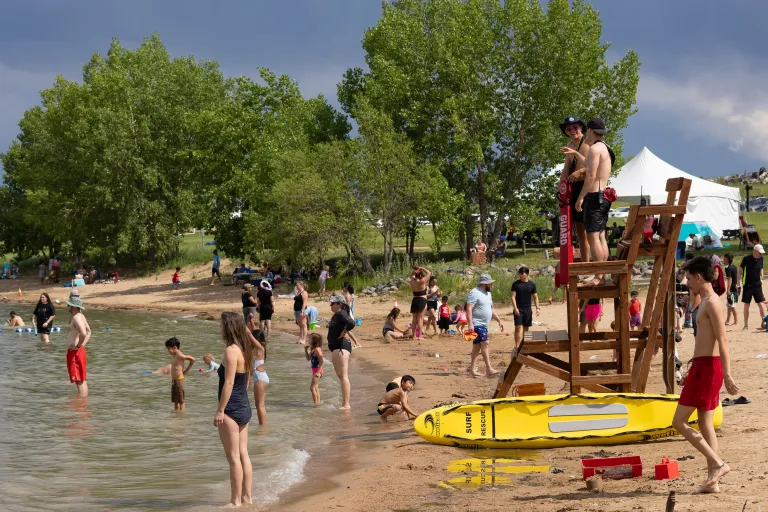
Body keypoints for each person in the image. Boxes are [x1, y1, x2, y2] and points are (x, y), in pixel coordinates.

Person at [672, 256, 739, 494]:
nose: (687, 283)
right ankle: (714, 479)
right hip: (702, 365)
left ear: (699, 277)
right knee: (705, 423)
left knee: (678, 421)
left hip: (709, 368)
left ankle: (719, 464)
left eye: (689, 279)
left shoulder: (712, 302)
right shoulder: (705, 300)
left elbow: (723, 339)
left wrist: (728, 374)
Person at [214, 312, 254, 508]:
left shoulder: (231, 351)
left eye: (222, 325)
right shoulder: (244, 349)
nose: (220, 329)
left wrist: (221, 410)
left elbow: (228, 383)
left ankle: (235, 501)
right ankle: (247, 497)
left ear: (228, 327)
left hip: (231, 408)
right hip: (244, 406)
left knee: (233, 458)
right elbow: (245, 382)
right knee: (243, 454)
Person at [573, 118, 615, 286]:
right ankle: (602, 274)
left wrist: (581, 197)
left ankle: (599, 276)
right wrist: (576, 154)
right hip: (604, 195)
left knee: (592, 237)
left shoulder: (594, 148)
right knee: (601, 235)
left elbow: (590, 175)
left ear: (589, 130)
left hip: (594, 195)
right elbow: (590, 165)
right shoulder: (606, 148)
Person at [558, 116, 591, 262]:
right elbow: (566, 168)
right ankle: (585, 263)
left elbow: (595, 167)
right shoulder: (570, 145)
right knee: (579, 231)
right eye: (569, 128)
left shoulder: (588, 142)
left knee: (590, 230)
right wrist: (561, 188)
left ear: (581, 127)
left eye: (575, 127)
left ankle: (593, 265)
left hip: (587, 187)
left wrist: (580, 172)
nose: (573, 130)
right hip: (574, 188)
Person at [466, 274, 504, 378]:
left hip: (484, 325)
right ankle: (489, 369)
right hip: (476, 323)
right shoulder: (474, 292)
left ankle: (472, 370)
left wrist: (499, 320)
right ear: (485, 283)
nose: (491, 284)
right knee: (485, 343)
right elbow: (469, 309)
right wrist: (470, 324)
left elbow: (491, 309)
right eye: (490, 282)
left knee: (476, 347)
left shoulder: (488, 294)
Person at [327, 295, 355, 410]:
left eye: (332, 303)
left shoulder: (341, 313)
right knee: (341, 376)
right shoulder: (337, 314)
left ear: (339, 304)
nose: (330, 305)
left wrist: (344, 332)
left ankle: (346, 404)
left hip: (341, 346)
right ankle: (344, 403)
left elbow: (351, 323)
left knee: (343, 376)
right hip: (336, 347)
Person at [65, 296, 91, 397]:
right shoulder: (81, 316)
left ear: (72, 306)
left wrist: (78, 345)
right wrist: (82, 345)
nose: (67, 306)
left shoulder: (76, 317)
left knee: (78, 380)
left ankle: (80, 404)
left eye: (68, 305)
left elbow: (84, 333)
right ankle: (82, 403)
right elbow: (89, 332)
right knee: (81, 379)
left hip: (75, 352)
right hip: (78, 351)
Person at [510, 267, 540, 348]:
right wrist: (515, 308)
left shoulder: (532, 284)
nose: (521, 276)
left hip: (527, 309)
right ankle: (517, 346)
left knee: (526, 328)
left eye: (522, 274)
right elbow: (513, 297)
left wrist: (537, 308)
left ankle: (525, 345)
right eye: (520, 274)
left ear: (527, 274)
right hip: (518, 308)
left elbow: (535, 297)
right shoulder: (515, 284)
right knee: (517, 327)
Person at [738, 244, 766, 330]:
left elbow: (761, 268)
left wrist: (762, 276)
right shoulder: (746, 259)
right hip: (748, 285)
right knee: (747, 304)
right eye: (760, 252)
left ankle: (765, 322)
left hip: (757, 285)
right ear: (755, 251)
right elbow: (740, 270)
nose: (761, 254)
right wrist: (738, 283)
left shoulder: (761, 258)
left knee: (760, 303)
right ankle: (746, 325)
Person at [247, 316, 268, 425]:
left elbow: (252, 336)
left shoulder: (260, 348)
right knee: (259, 404)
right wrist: (251, 321)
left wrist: (246, 330)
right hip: (260, 377)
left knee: (260, 405)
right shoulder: (258, 348)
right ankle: (262, 426)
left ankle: (262, 427)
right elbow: (254, 333)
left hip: (260, 378)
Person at [165, 337, 196, 411]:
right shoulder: (174, 355)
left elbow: (193, 359)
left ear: (175, 347)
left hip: (179, 381)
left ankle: (182, 415)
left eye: (169, 348)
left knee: (181, 400)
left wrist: (186, 370)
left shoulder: (180, 355)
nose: (168, 351)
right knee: (176, 400)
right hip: (174, 381)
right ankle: (176, 414)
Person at [407, 266, 431, 340]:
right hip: (422, 299)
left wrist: (414, 271)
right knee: (420, 319)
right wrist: (422, 268)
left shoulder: (412, 281)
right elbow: (429, 273)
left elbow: (410, 276)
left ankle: (414, 336)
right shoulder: (422, 281)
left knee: (414, 319)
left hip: (415, 299)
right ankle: (420, 336)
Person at [305, 332, 324, 404]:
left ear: (314, 341)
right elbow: (308, 358)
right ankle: (318, 403)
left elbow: (321, 361)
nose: (308, 340)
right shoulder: (313, 349)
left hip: (317, 370)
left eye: (310, 339)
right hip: (315, 370)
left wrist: (318, 372)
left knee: (312, 388)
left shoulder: (317, 349)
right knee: (315, 388)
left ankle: (315, 404)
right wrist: (306, 350)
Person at [343, 283, 363, 348]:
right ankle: (344, 342)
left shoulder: (347, 296)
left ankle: (356, 343)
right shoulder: (348, 295)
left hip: (348, 314)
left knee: (346, 330)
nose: (342, 288)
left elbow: (348, 307)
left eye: (343, 287)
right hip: (348, 314)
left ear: (346, 288)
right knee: (345, 330)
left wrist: (346, 315)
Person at [723, 254, 739, 326]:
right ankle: (728, 320)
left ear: (727, 259)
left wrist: (728, 289)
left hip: (732, 288)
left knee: (732, 305)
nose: (723, 260)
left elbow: (730, 279)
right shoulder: (734, 266)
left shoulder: (728, 268)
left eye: (724, 258)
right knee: (729, 305)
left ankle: (736, 320)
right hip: (735, 287)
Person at [293, 280, 309, 344]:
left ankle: (304, 339)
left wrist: (302, 311)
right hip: (296, 310)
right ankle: (300, 338)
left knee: (304, 325)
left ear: (301, 285)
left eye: (297, 285)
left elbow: (304, 303)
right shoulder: (298, 292)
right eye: (296, 285)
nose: (296, 286)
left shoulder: (304, 292)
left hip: (302, 310)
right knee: (300, 326)